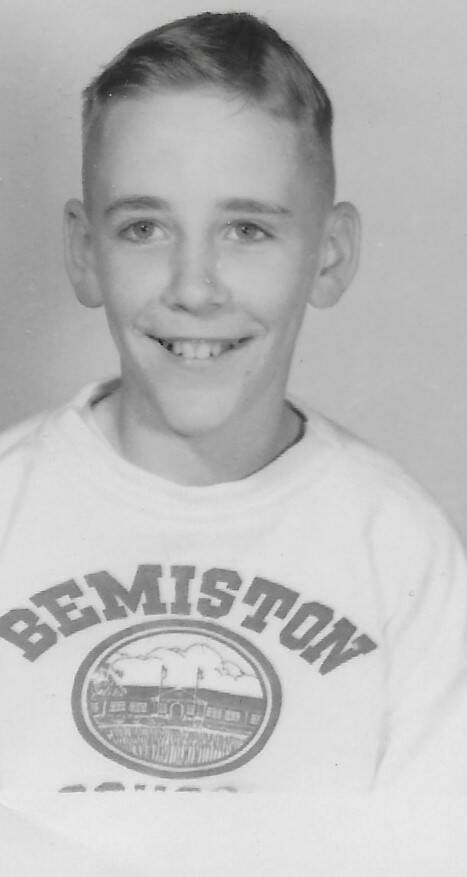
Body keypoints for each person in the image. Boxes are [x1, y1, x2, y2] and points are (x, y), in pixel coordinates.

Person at [0, 10, 466, 802]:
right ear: (84, 252)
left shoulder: (396, 546)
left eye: (246, 230)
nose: (194, 287)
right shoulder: (11, 507)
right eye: (144, 228)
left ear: (329, 255)